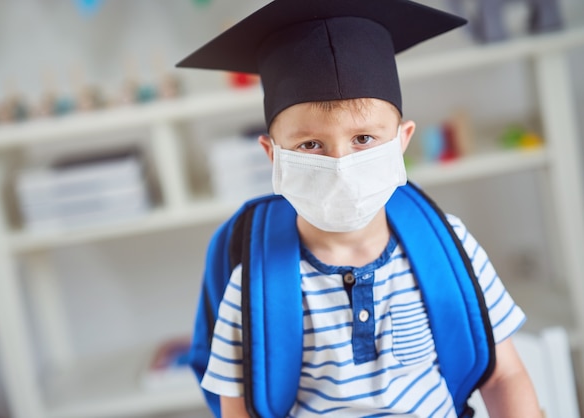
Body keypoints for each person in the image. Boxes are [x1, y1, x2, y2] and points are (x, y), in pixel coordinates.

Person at [177, 0, 542, 416]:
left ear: (402, 142)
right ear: (273, 154)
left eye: (364, 139)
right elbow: (238, 408)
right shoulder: (254, 285)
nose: (340, 165)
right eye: (310, 145)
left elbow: (504, 375)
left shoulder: (447, 247)